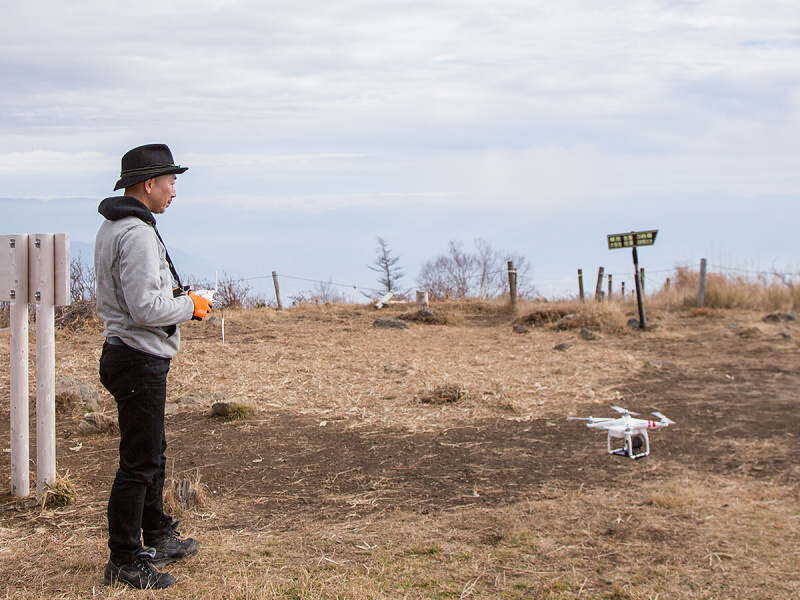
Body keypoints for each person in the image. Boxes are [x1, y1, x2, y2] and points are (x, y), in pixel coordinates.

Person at [94, 144, 213, 589]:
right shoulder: (138, 234)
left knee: (152, 452)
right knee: (139, 463)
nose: (174, 190)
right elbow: (146, 306)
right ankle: (125, 559)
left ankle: (158, 532)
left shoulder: (113, 227)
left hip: (126, 352)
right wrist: (191, 306)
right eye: (171, 181)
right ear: (149, 184)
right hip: (139, 357)